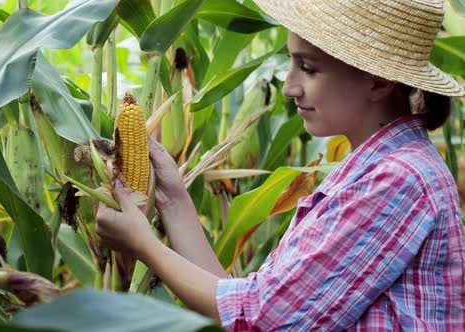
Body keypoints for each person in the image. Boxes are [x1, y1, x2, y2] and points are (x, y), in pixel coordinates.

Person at [96, 0, 465, 330]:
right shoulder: (373, 168)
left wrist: (143, 244)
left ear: (380, 81)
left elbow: (264, 319)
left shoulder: (398, 180)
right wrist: (173, 198)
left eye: (308, 68)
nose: (289, 86)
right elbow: (241, 304)